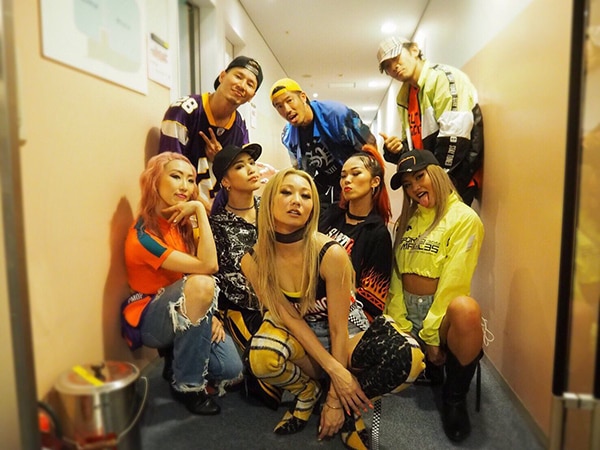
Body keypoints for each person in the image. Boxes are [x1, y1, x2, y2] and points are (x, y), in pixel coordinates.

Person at [241, 168, 425, 449]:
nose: (297, 201)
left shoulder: (330, 253)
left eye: (306, 196)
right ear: (268, 201)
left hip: (344, 332)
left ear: (313, 207)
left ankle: (349, 411)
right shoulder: (253, 260)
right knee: (261, 355)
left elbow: (338, 330)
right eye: (286, 192)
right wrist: (335, 373)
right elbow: (290, 319)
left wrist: (336, 401)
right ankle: (307, 393)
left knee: (409, 356)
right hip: (302, 334)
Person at [120, 152, 243, 415]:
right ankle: (189, 386)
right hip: (151, 320)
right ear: (155, 182)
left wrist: (210, 312)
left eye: (190, 179)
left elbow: (200, 270)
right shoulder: (143, 236)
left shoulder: (179, 223)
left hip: (182, 303)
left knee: (231, 369)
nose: (185, 186)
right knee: (202, 284)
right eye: (176, 177)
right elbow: (209, 266)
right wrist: (199, 208)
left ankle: (177, 359)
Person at [385, 149, 484, 442]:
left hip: (438, 316)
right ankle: (430, 366)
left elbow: (454, 282)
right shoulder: (408, 219)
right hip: (407, 309)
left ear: (437, 174)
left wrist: (430, 336)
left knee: (466, 309)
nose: (414, 188)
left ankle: (454, 399)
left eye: (419, 177)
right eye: (407, 184)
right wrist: (399, 321)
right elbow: (396, 275)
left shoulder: (464, 218)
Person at [209, 142, 283, 409]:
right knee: (261, 385)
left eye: (251, 163)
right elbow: (210, 272)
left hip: (282, 301)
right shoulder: (217, 225)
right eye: (240, 167)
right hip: (242, 309)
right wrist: (213, 314)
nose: (251, 169)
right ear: (226, 182)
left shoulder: (273, 211)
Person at [377, 37, 484, 205]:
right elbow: (416, 150)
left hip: (452, 182)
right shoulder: (404, 97)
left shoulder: (443, 78)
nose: (393, 67)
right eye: (387, 66)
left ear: (414, 50)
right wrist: (396, 150)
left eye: (396, 58)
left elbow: (455, 138)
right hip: (428, 185)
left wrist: (439, 183)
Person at [158, 56, 263, 210]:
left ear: (252, 96)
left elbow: (238, 178)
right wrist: (201, 207)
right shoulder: (183, 111)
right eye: (238, 76)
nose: (242, 85)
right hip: (179, 209)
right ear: (222, 76)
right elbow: (167, 170)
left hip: (218, 212)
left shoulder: (240, 126)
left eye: (250, 84)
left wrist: (221, 160)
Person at [269, 78, 376, 209]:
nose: (286, 109)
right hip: (326, 186)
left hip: (355, 180)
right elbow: (299, 170)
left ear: (303, 97)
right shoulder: (288, 137)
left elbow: (370, 150)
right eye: (279, 106)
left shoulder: (337, 115)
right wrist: (281, 178)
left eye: (289, 100)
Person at [318, 144, 393, 322]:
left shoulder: (376, 232)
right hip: (307, 305)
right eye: (343, 176)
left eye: (356, 173)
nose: (347, 180)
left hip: (345, 317)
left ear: (375, 181)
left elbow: (372, 300)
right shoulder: (331, 215)